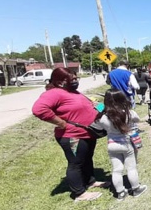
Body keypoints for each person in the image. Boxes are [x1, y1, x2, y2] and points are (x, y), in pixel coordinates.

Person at [32, 67, 109, 202]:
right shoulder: (54, 93)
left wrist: (98, 106)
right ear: (61, 81)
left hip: (87, 133)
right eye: (72, 79)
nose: (75, 81)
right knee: (76, 163)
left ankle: (90, 181)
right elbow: (39, 109)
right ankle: (79, 193)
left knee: (86, 158)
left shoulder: (71, 92)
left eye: (76, 78)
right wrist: (61, 123)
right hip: (72, 136)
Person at [90, 89, 147, 201]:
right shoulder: (128, 113)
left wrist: (101, 108)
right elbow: (137, 119)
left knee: (117, 170)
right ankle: (136, 189)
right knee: (131, 168)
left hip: (112, 145)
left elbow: (101, 123)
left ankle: (120, 192)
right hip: (127, 144)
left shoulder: (103, 117)